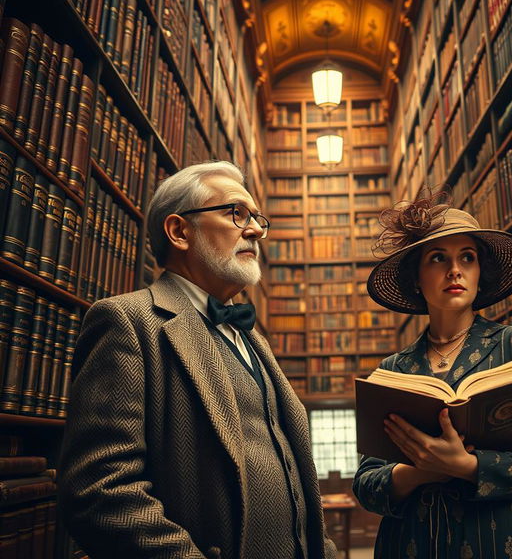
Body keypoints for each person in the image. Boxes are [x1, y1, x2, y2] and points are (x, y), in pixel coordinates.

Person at [58, 161, 337, 559]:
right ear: (179, 232)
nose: (256, 230)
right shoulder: (127, 322)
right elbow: (99, 491)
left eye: (257, 218)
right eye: (236, 213)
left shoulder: (253, 338)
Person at [352, 189, 512, 559]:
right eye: (438, 258)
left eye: (467, 258)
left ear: (479, 273)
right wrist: (421, 471)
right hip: (413, 544)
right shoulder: (393, 371)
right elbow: (366, 485)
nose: (454, 270)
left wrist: (469, 467)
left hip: (505, 542)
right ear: (416, 278)